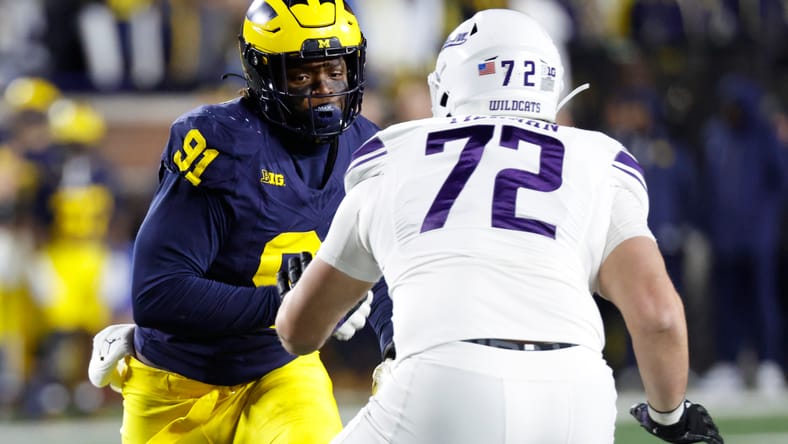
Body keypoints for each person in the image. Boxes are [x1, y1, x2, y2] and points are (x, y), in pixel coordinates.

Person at [275, 9, 723, 444]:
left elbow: (299, 333)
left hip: (443, 381)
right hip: (574, 393)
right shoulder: (597, 158)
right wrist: (670, 416)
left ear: (448, 85)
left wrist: (294, 295)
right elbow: (659, 316)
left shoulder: (392, 154)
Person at [87, 0, 393, 442]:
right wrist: (300, 304)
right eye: (303, 74)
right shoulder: (222, 143)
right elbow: (159, 293)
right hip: (178, 382)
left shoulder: (366, 147)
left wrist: (395, 347)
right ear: (264, 73)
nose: (324, 89)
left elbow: (383, 263)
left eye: (335, 70)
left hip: (282, 370)